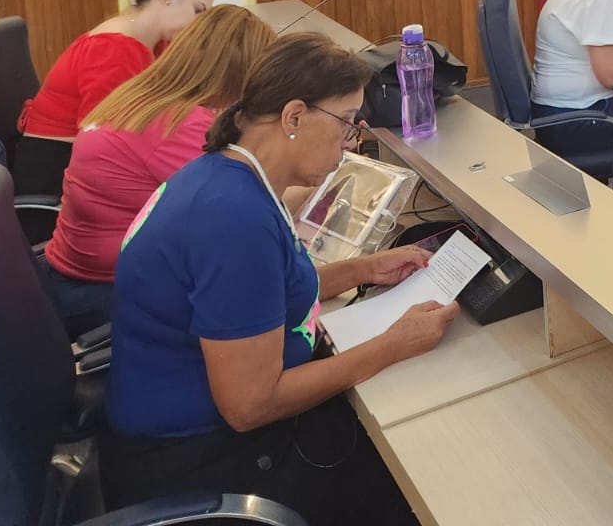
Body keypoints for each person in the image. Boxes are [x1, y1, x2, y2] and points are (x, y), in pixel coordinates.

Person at [101, 34, 457, 526]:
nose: (351, 141)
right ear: (293, 116)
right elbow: (251, 405)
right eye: (347, 123)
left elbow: (264, 291)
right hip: (204, 462)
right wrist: (393, 344)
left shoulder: (226, 175)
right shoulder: (232, 218)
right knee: (420, 482)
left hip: (203, 436)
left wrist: (362, 269)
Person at [40, 4, 277, 337]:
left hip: (71, 279)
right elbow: (251, 208)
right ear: (241, 76)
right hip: (103, 298)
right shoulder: (179, 124)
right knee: (272, 300)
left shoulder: (143, 94)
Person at [16, 0, 216, 196]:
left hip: (83, 161)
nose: (200, 24)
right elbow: (102, 141)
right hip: (54, 174)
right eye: (198, 10)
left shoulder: (156, 42)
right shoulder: (113, 49)